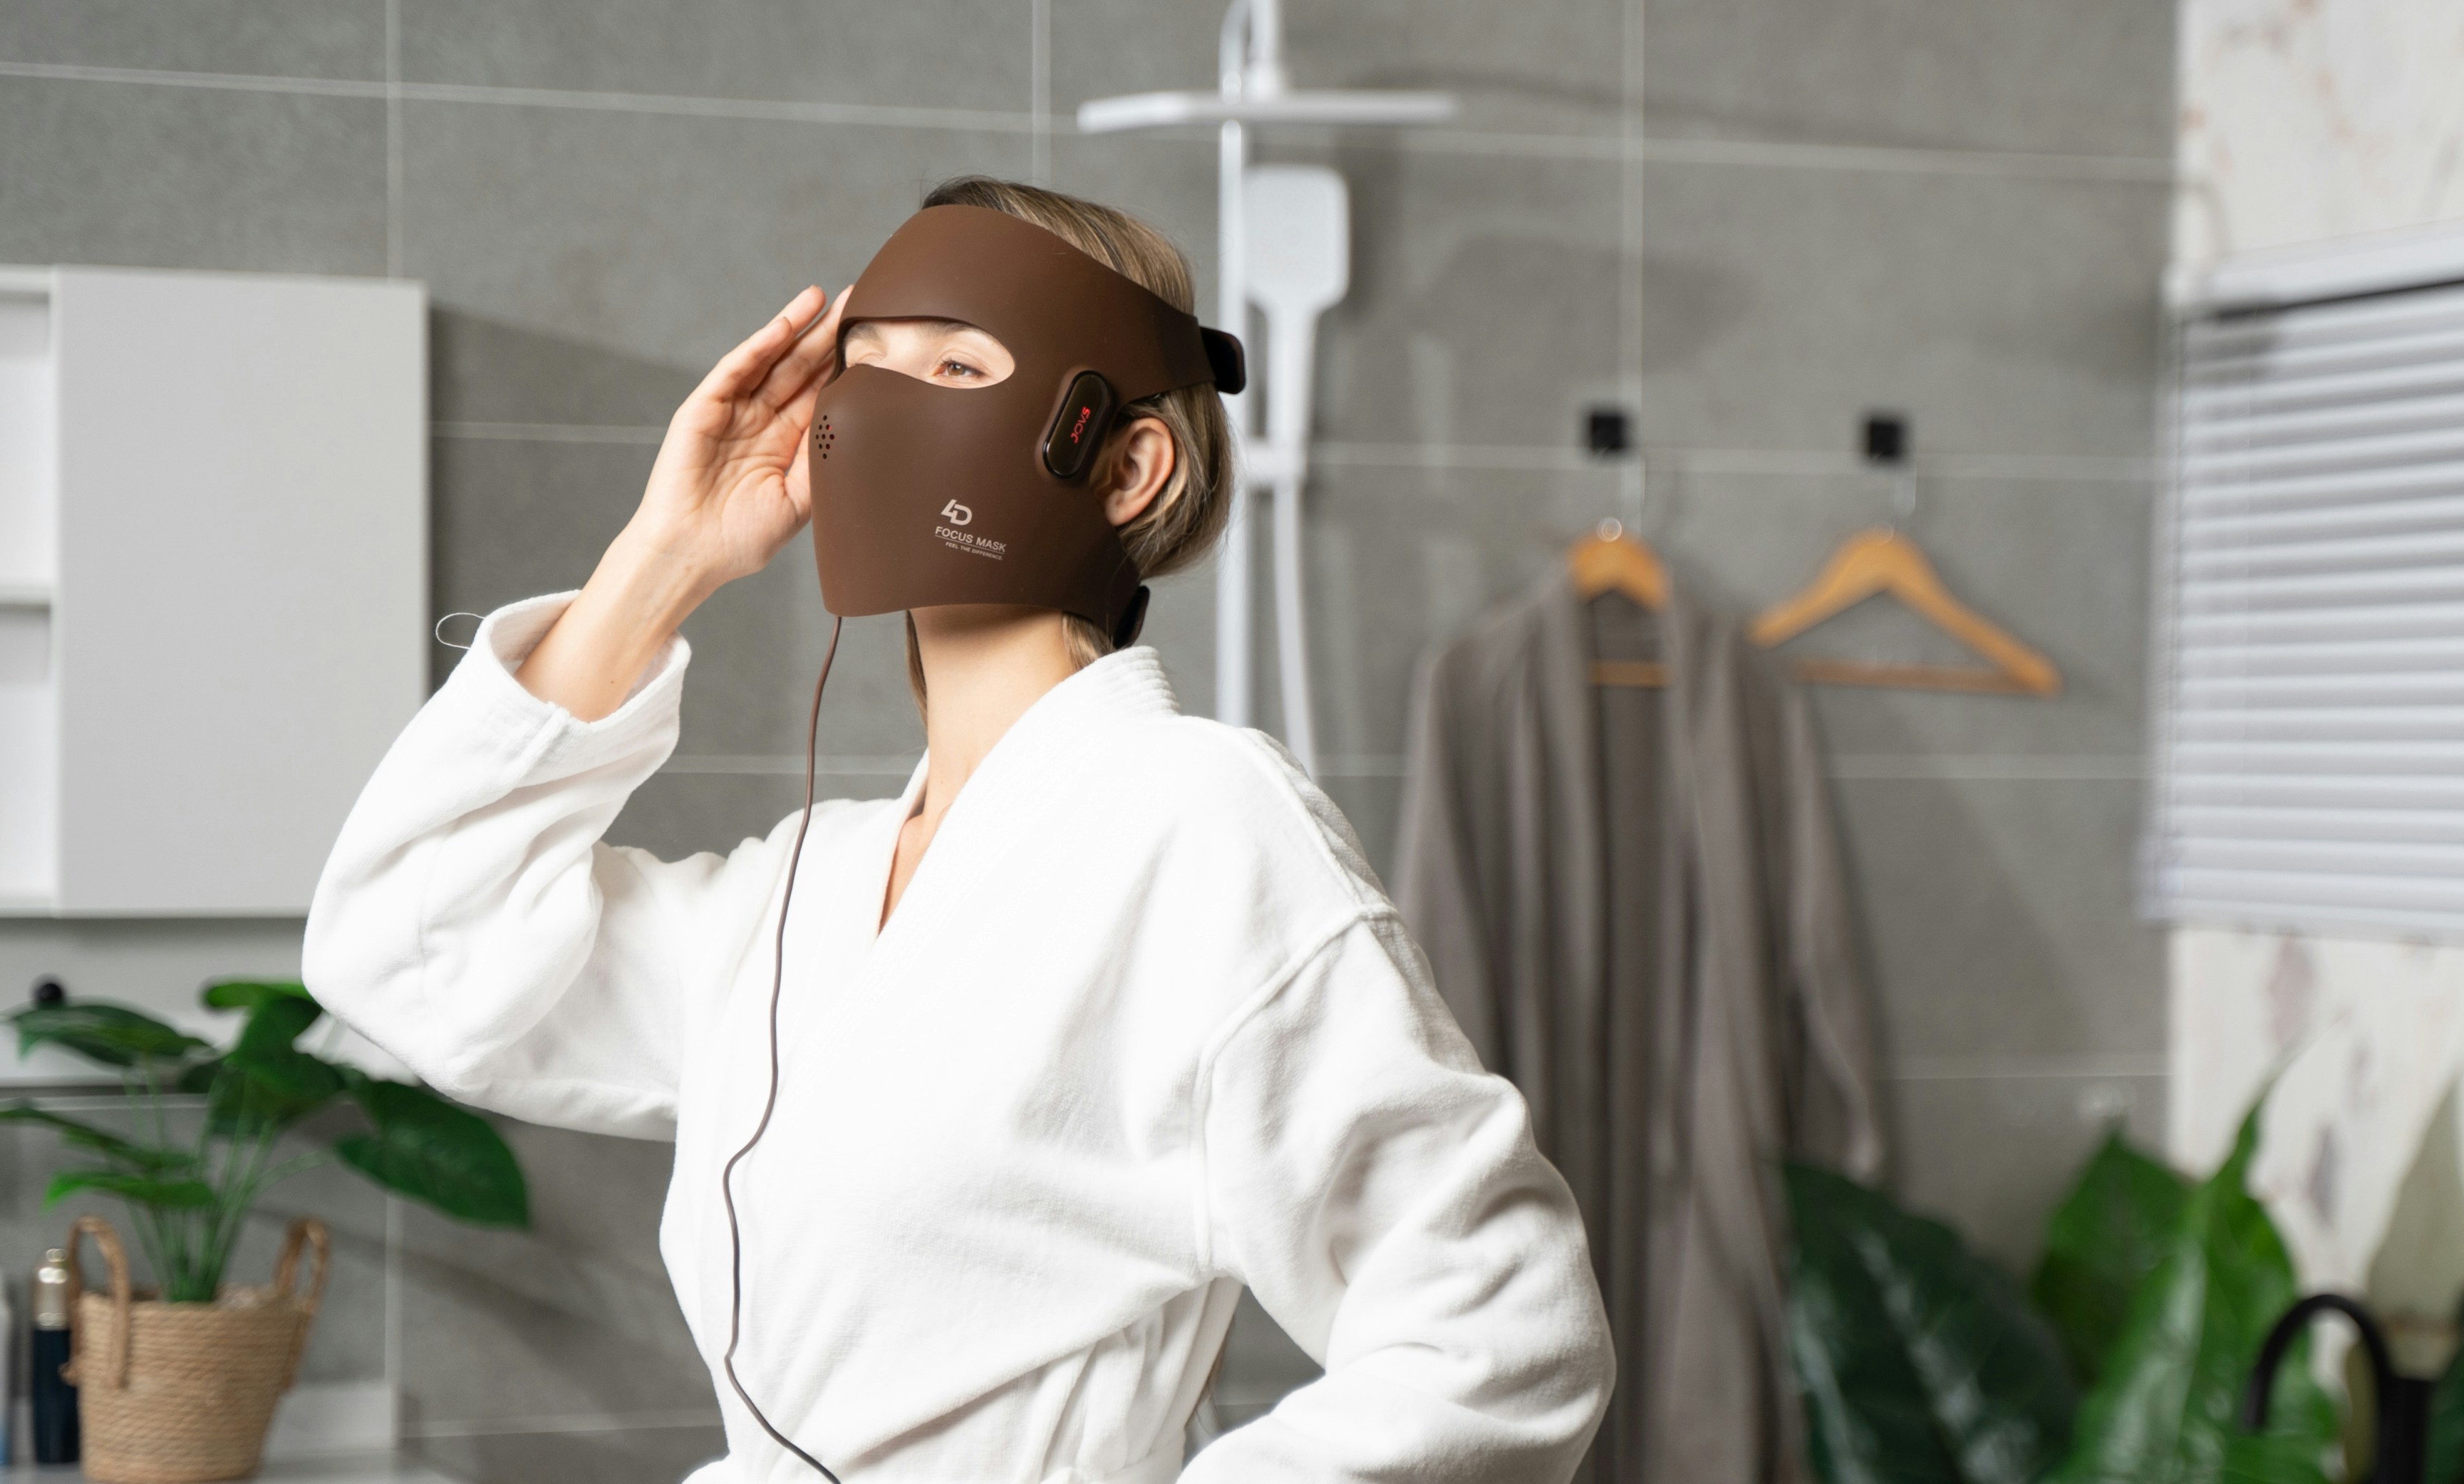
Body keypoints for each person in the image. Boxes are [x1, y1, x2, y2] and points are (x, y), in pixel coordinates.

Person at [304, 177, 1613, 1484]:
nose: (876, 408)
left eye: (955, 366)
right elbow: (409, 956)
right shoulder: (799, 893)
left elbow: (1499, 1338)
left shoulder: (1198, 826)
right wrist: (667, 555)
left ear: (1123, 459)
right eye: (862, 367)